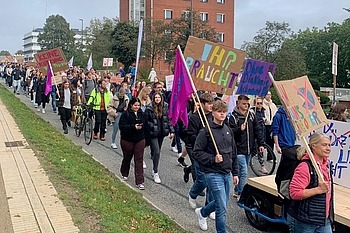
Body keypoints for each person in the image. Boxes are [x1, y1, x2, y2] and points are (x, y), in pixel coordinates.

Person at [193, 100, 239, 232]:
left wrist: (235, 173)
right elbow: (197, 152)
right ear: (213, 113)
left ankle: (202, 212)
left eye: (224, 112)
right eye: (219, 112)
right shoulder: (206, 131)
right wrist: (212, 159)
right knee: (221, 208)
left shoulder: (228, 129)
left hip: (226, 172)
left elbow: (233, 152)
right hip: (212, 173)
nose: (222, 114)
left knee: (222, 203)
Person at [288, 132, 334, 233]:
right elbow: (294, 193)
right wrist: (318, 190)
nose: (328, 148)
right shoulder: (305, 167)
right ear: (313, 146)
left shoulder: (326, 165)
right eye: (324, 145)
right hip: (304, 221)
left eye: (329, 145)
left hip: (323, 220)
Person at [229, 94, 264, 198]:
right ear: (238, 103)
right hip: (238, 149)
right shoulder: (234, 117)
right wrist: (239, 129)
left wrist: (261, 143)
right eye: (243, 104)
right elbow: (230, 132)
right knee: (243, 171)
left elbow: (257, 129)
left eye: (247, 104)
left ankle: (236, 189)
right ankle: (242, 194)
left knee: (242, 171)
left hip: (249, 148)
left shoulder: (251, 115)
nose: (246, 106)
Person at [187, 93, 214, 210]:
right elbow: (190, 135)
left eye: (212, 103)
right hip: (199, 152)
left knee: (212, 181)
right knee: (203, 179)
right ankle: (193, 193)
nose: (211, 106)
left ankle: (208, 206)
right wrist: (203, 137)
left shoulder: (214, 116)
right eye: (208, 103)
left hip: (212, 153)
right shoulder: (194, 117)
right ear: (202, 104)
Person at [145, 93, 174, 183]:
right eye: (156, 97)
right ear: (153, 99)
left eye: (159, 97)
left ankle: (154, 168)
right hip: (153, 133)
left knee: (157, 153)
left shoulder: (165, 106)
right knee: (156, 151)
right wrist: (152, 126)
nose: (157, 99)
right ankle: (155, 171)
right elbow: (146, 120)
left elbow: (168, 119)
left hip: (162, 133)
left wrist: (171, 131)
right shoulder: (149, 108)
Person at [119, 97, 147, 190]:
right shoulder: (125, 114)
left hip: (140, 139)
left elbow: (146, 125)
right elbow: (122, 127)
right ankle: (124, 173)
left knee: (139, 159)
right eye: (135, 105)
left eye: (138, 105)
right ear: (131, 105)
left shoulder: (142, 114)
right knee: (127, 158)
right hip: (127, 139)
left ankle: (140, 181)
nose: (137, 107)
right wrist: (133, 127)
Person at [251, 97, 269, 174]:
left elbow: (267, 119)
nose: (259, 105)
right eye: (258, 103)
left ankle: (262, 166)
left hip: (262, 131)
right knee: (255, 149)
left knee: (260, 149)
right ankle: (258, 164)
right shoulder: (252, 111)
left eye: (261, 103)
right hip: (254, 133)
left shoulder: (263, 111)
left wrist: (265, 119)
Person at [262, 91, 277, 158]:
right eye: (267, 94)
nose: (269, 96)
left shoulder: (273, 105)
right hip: (264, 124)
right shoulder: (261, 103)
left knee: (271, 140)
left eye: (270, 95)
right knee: (262, 140)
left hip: (271, 124)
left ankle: (270, 156)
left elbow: (276, 113)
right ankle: (260, 155)